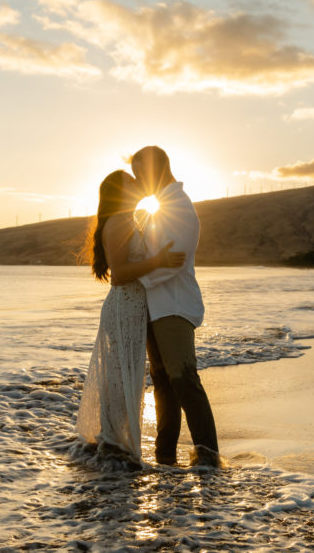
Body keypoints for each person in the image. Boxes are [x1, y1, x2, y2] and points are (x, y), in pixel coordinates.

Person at [75, 170, 184, 464]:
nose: (138, 184)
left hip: (134, 310)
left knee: (126, 379)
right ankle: (113, 446)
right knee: (121, 380)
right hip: (123, 307)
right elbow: (120, 275)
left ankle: (116, 449)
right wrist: (158, 261)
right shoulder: (119, 222)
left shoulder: (129, 219)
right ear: (120, 193)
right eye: (131, 182)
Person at [130, 146, 221, 467]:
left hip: (174, 307)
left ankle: (208, 457)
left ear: (156, 169)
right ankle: (165, 457)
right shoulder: (159, 209)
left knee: (184, 381)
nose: (138, 180)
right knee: (164, 386)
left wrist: (136, 279)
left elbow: (174, 262)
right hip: (154, 309)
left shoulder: (179, 207)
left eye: (141, 173)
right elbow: (156, 257)